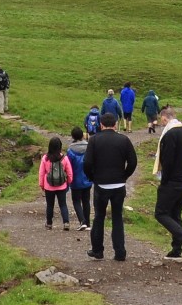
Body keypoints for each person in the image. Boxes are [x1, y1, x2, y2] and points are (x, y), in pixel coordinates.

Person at [83, 111, 137, 262]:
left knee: (99, 217)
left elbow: (87, 163)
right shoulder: (124, 140)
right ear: (115, 124)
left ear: (101, 125)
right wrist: (125, 176)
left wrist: (92, 177)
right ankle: (120, 252)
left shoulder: (94, 140)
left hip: (101, 184)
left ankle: (97, 251)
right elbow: (133, 162)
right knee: (117, 217)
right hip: (119, 185)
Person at [151, 105, 182, 259]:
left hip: (172, 182)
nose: (161, 124)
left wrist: (164, 180)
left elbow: (167, 161)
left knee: (160, 213)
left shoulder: (169, 135)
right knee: (175, 214)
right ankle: (176, 249)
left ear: (164, 117)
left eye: (161, 121)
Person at [38, 136, 74, 228]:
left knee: (50, 205)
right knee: (63, 204)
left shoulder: (45, 158)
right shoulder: (64, 158)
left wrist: (41, 184)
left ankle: (49, 223)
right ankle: (66, 222)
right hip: (62, 185)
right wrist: (69, 182)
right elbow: (69, 172)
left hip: (48, 186)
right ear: (60, 146)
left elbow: (41, 173)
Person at [66, 126, 92, 227]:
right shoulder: (89, 147)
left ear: (72, 136)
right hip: (87, 178)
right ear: (82, 135)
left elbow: (68, 166)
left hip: (75, 179)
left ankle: (82, 221)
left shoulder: (70, 150)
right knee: (86, 201)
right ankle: (88, 223)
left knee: (76, 201)